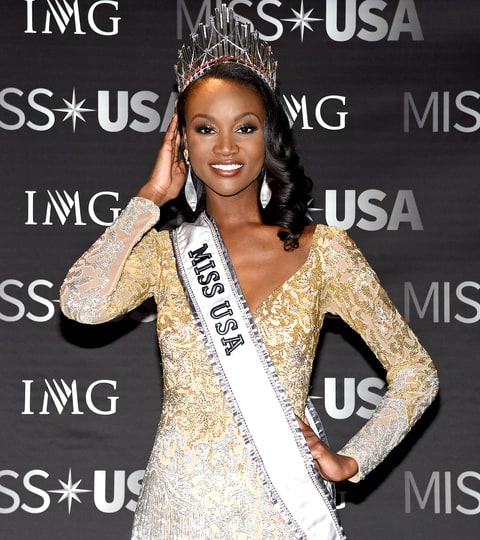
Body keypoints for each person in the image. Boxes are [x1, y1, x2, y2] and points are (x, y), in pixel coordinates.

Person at [59, 6, 438, 539]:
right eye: (205, 129)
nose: (227, 148)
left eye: (246, 127)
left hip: (280, 512)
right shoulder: (165, 252)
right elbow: (80, 304)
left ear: (269, 138)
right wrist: (148, 199)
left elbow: (417, 372)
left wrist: (351, 460)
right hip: (178, 510)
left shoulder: (323, 250)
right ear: (181, 144)